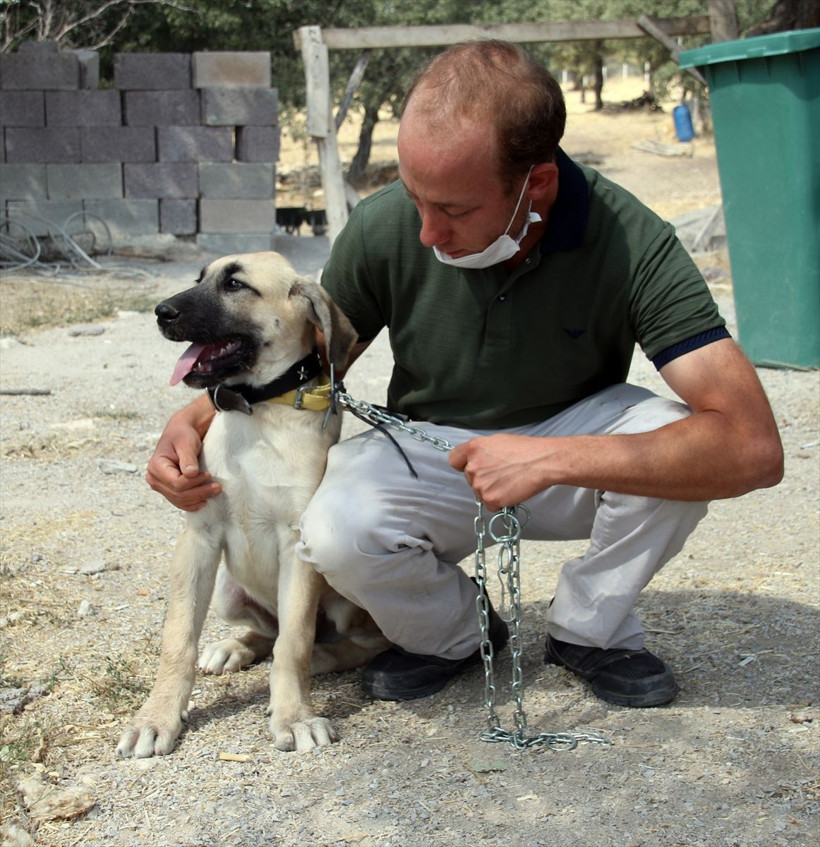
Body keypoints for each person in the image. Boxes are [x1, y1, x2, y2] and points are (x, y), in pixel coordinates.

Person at [147, 41, 783, 709]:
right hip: (435, 451)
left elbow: (751, 447)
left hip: (573, 451)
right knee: (333, 526)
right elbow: (306, 360)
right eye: (414, 197)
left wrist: (549, 457)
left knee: (682, 440)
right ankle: (454, 633)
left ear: (537, 185)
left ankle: (589, 629)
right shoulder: (386, 226)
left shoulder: (630, 238)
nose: (425, 232)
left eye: (453, 210)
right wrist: (194, 418)